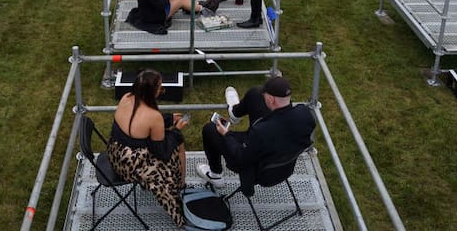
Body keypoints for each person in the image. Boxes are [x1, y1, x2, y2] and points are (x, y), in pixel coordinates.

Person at [196, 76, 316, 190]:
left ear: (271, 99)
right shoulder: (305, 114)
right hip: (286, 165)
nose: (263, 97)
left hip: (261, 172)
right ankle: (235, 113)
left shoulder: (260, 131)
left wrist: (226, 134)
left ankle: (215, 176)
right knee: (255, 94)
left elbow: (240, 158)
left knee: (210, 130)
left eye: (266, 96)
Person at [107, 69, 188, 228]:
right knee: (175, 151)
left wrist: (169, 119)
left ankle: (179, 186)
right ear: (152, 93)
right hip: (131, 167)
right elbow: (162, 152)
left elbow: (139, 124)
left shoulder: (126, 98)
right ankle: (179, 190)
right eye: (160, 89)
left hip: (114, 155)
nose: (161, 91)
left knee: (170, 143)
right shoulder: (153, 116)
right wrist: (177, 130)